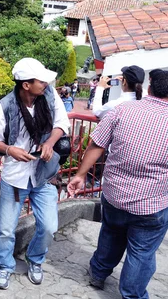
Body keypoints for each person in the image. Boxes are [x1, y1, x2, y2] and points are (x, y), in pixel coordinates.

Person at [67, 69, 168, 298]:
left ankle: (98, 274)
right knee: (141, 253)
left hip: (115, 194)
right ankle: (132, 294)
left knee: (111, 234)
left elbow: (96, 145)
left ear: (149, 85)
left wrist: (80, 175)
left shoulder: (123, 109)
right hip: (152, 205)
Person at [0, 57, 69, 290]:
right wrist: (10, 149)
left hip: (43, 175)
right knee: (7, 228)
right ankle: (4, 265)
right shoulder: (4, 107)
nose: (46, 84)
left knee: (49, 226)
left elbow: (62, 123)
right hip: (16, 177)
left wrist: (50, 142)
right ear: (26, 85)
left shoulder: (49, 96)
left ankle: (35, 259)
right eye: (41, 81)